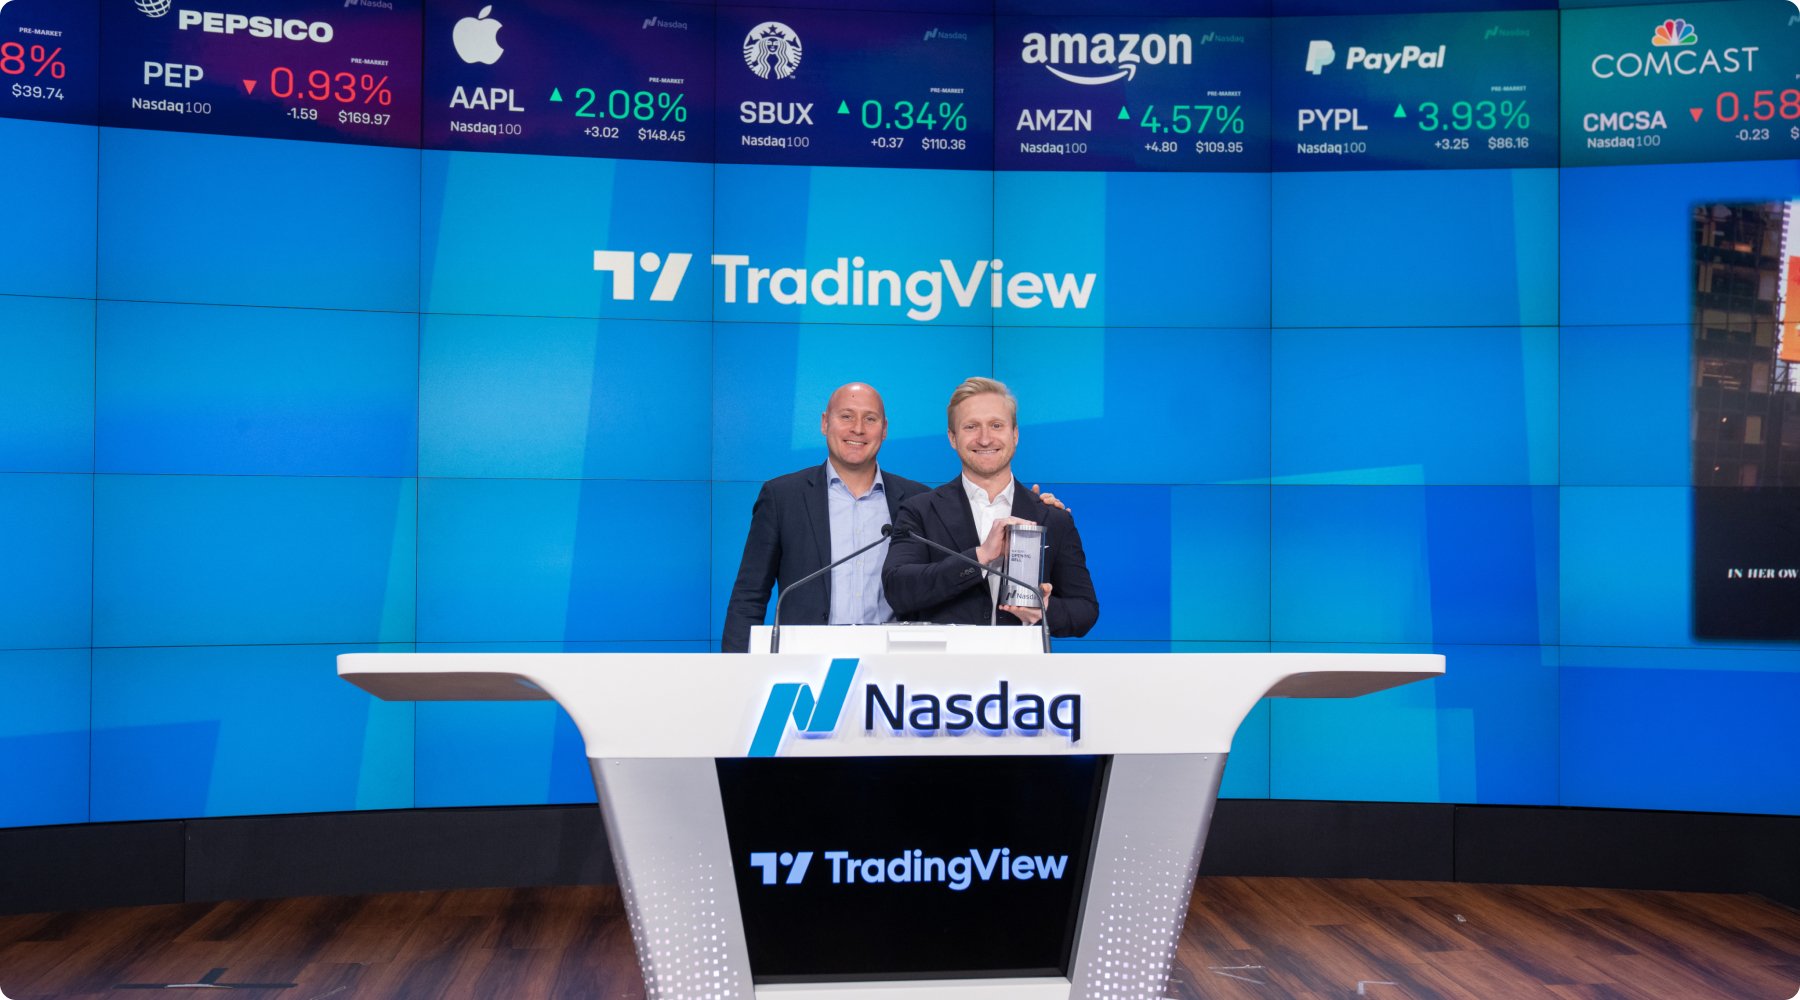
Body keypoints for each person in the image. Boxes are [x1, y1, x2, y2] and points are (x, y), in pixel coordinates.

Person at [881, 377, 1099, 636]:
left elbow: (1085, 611)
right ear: (952, 438)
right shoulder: (920, 511)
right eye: (971, 426)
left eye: (996, 425)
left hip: (1022, 662)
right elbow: (898, 591)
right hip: (943, 662)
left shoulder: (1052, 517)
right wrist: (980, 556)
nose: (985, 439)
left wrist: (1043, 610)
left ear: (1015, 434)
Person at [722, 382, 927, 653]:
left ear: (884, 429)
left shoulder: (917, 500)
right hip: (806, 661)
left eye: (870, 419)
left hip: (895, 665)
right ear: (824, 423)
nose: (858, 428)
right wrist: (735, 668)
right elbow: (749, 596)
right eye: (846, 416)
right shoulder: (782, 497)